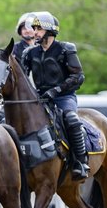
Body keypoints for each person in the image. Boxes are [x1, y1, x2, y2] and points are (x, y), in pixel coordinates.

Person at [22, 11, 89, 179]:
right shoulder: (29, 53)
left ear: (49, 30)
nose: (34, 32)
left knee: (71, 119)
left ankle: (80, 162)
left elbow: (78, 77)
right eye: (34, 28)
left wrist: (56, 90)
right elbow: (23, 78)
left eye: (38, 28)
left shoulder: (66, 49)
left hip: (64, 97)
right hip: (40, 98)